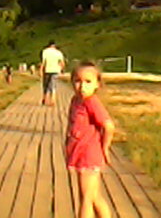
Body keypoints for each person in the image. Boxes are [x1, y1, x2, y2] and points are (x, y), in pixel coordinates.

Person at [66, 61, 115, 218]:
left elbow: (108, 126)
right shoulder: (75, 101)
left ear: (97, 84)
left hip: (89, 155)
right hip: (79, 153)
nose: (82, 86)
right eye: (78, 81)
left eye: (88, 82)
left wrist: (105, 147)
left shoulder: (91, 102)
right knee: (94, 196)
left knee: (85, 198)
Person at [40, 40, 65, 106]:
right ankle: (52, 100)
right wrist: (62, 69)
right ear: (55, 45)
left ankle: (44, 98)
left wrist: (40, 70)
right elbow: (62, 63)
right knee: (53, 85)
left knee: (45, 85)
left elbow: (43, 62)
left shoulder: (45, 51)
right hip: (56, 70)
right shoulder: (58, 52)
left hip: (47, 70)